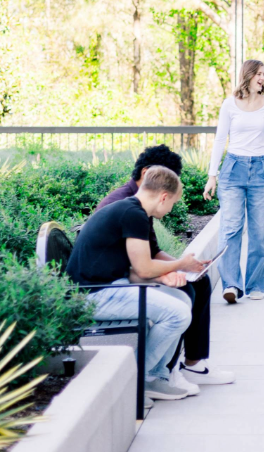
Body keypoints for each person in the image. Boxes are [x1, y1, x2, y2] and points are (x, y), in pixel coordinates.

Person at [95, 145, 234, 386]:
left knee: (198, 282)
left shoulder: (138, 204)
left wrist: (187, 266)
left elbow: (154, 251)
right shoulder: (125, 205)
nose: (170, 200)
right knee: (184, 293)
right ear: (149, 173)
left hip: (126, 275)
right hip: (113, 282)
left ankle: (192, 363)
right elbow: (137, 266)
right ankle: (161, 372)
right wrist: (173, 269)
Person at [67, 166, 208, 400]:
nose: (171, 209)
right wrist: (179, 264)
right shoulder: (134, 214)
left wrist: (164, 276)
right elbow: (143, 268)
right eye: (172, 203)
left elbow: (133, 271)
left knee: (182, 299)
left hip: (107, 286)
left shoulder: (129, 210)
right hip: (92, 295)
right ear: (163, 197)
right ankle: (133, 379)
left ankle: (156, 377)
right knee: (178, 314)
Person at [204, 59, 264, 303]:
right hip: (233, 169)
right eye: (259, 74)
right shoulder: (229, 104)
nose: (263, 78)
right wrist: (212, 174)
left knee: (260, 230)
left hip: (261, 168)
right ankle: (231, 285)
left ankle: (256, 284)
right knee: (231, 227)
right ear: (247, 75)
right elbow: (219, 139)